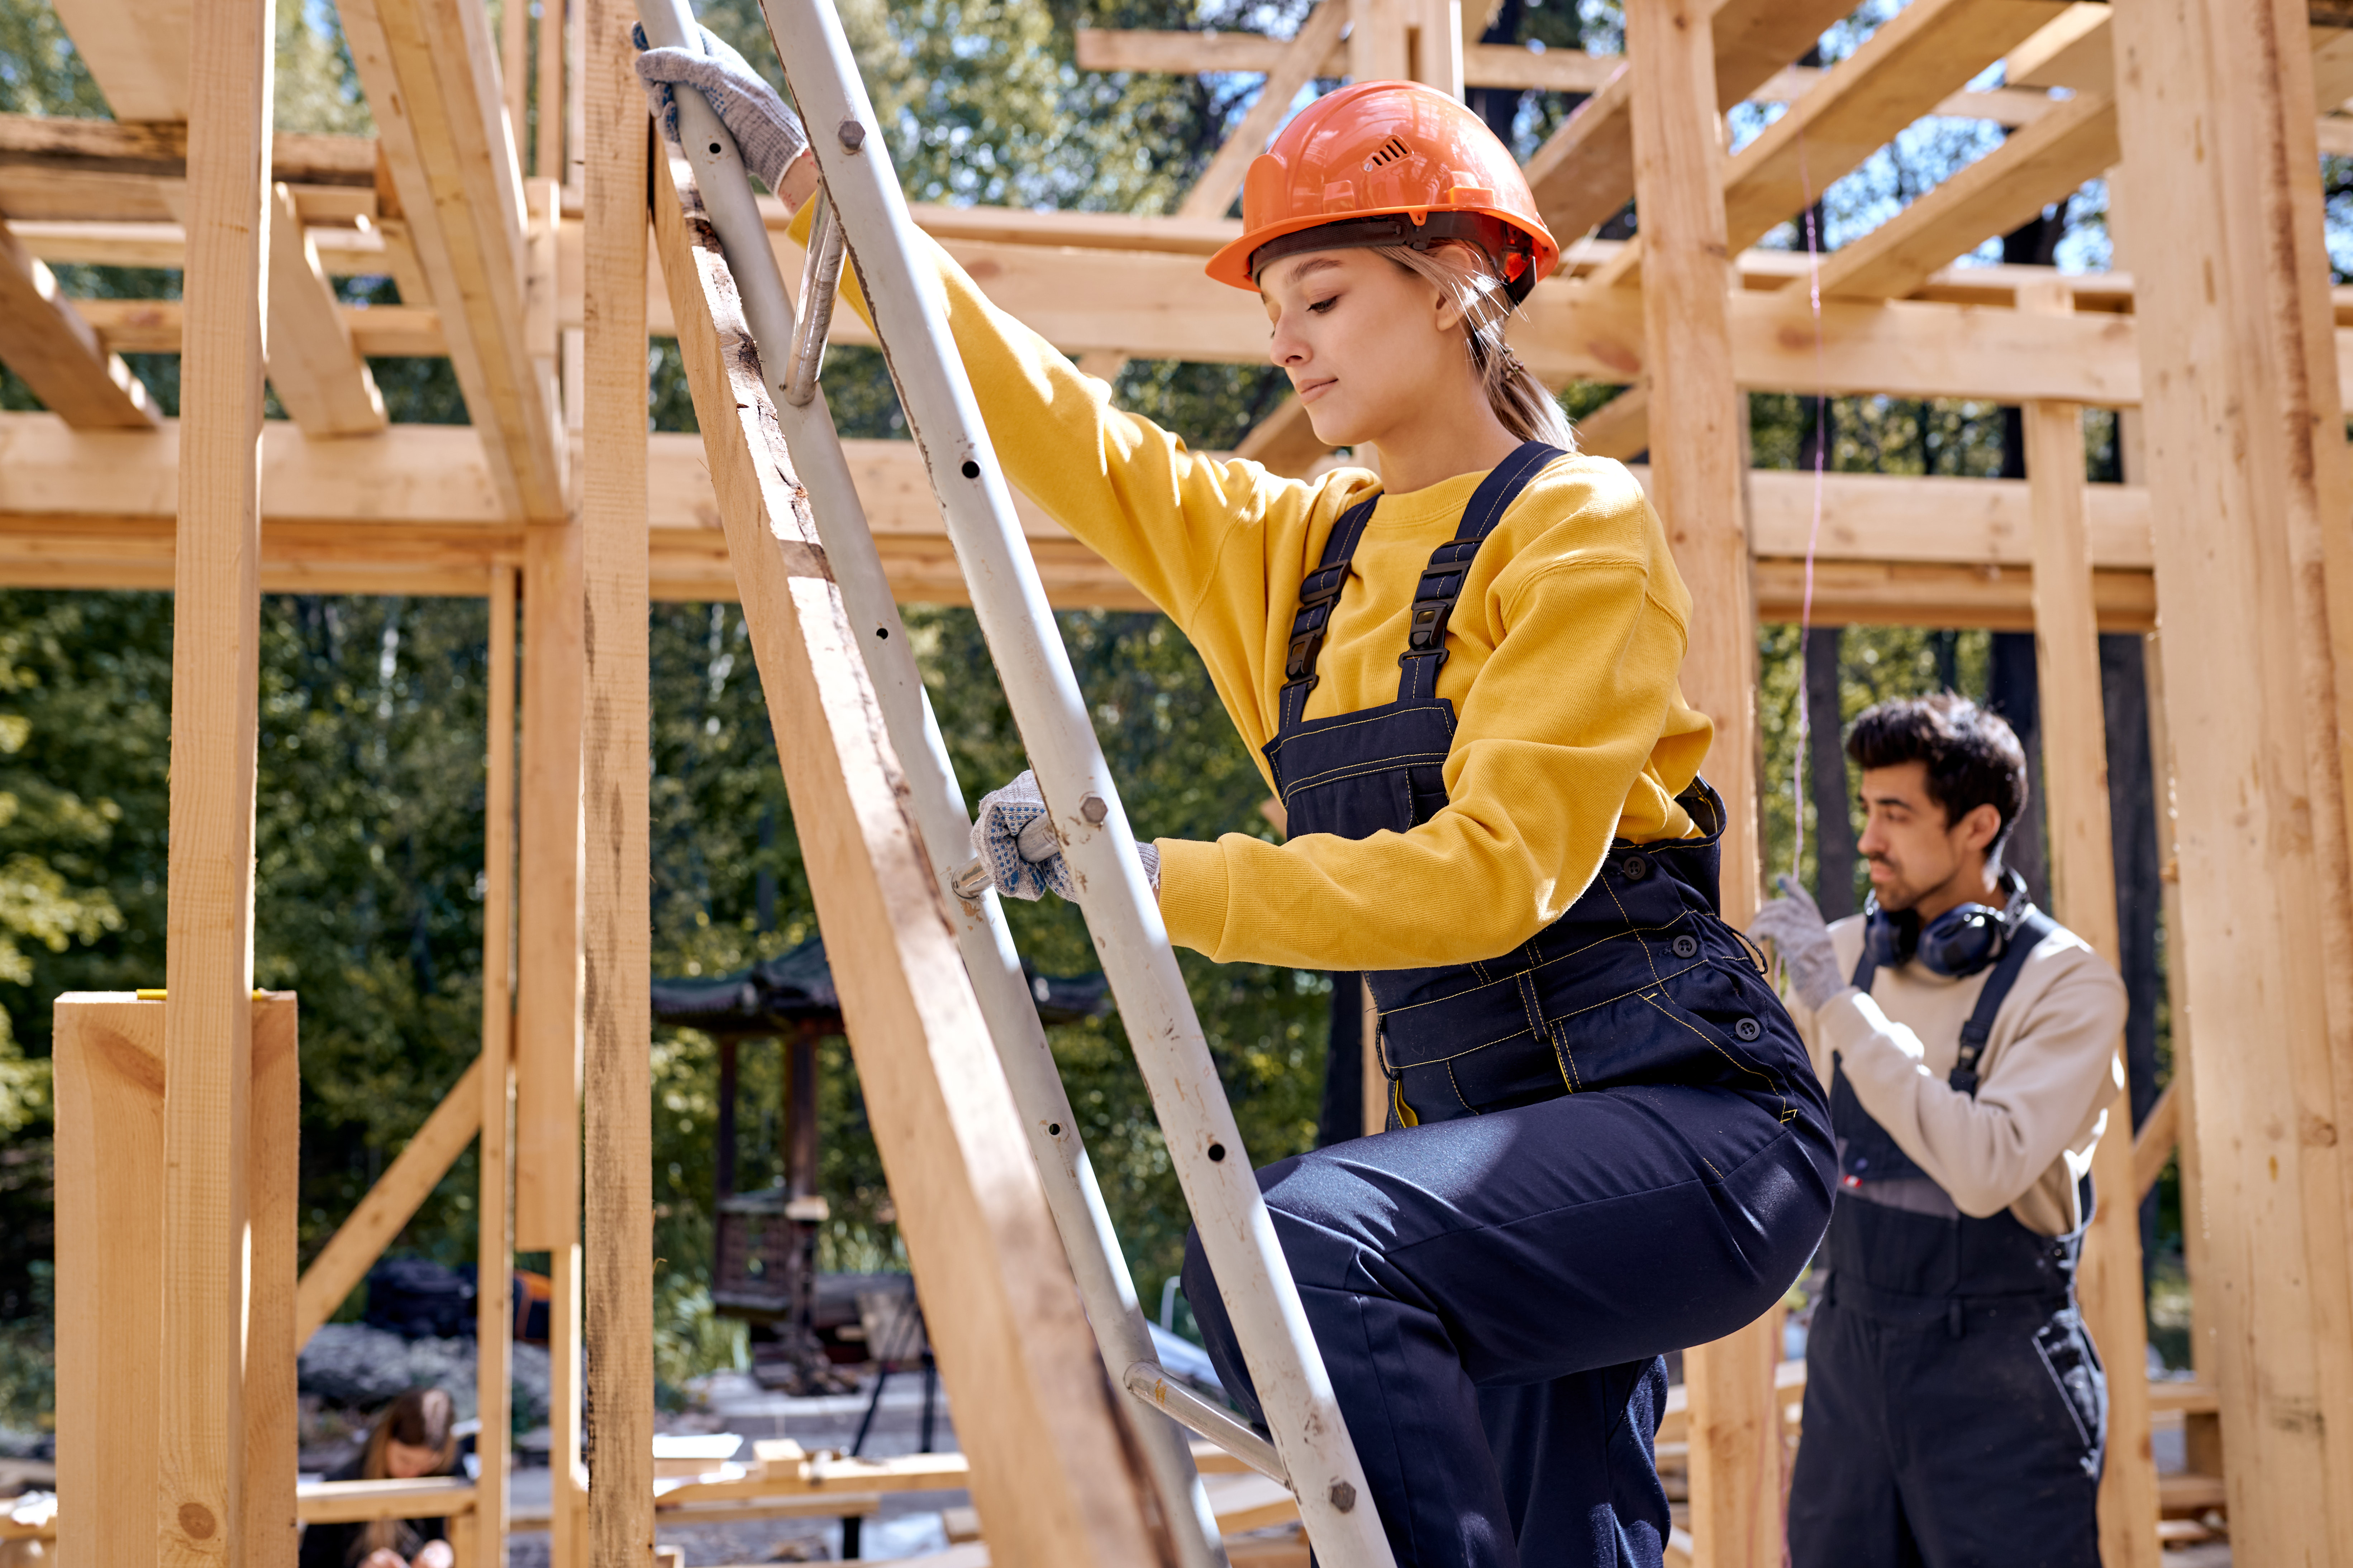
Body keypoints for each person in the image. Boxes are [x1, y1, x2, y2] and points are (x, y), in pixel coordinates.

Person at [636, 33, 1834, 1567]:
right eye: (1278, 317)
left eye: (1324, 299)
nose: (1293, 345)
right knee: (1563, 1537)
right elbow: (1037, 417)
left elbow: (1496, 876)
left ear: (1463, 275)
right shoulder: (1291, 556)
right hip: (1500, 1164)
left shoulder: (1579, 528)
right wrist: (816, 188)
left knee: (1296, 1243)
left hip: (1697, 1131)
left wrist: (1148, 875)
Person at [1749, 695, 2127, 1568]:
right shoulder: (1836, 955)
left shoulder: (2066, 988)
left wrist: (1837, 1008)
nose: (1870, 837)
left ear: (1976, 825)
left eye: (1896, 813)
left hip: (1997, 1380)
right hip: (1850, 1358)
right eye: (1865, 808)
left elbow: (1983, 1166)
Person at [299, 1388, 462, 1568]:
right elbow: (310, 1562)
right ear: (387, 1439)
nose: (413, 1473)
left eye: (426, 1466)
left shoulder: (448, 1473)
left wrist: (441, 1552)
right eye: (405, 1460)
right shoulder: (341, 1484)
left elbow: (449, 1535)